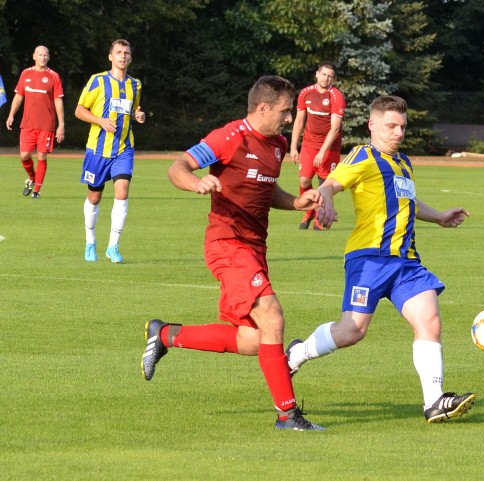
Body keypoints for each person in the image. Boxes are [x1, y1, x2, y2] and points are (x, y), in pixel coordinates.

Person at [141, 75, 325, 431]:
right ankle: (287, 415)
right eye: (286, 112)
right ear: (263, 108)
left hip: (255, 248)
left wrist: (296, 201)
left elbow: (266, 190)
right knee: (272, 317)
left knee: (255, 339)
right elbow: (177, 167)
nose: (289, 119)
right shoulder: (229, 137)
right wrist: (197, 182)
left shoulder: (276, 145)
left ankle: (165, 334)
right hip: (227, 244)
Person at [286, 95, 476, 424]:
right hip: (369, 260)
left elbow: (408, 202)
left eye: (402, 126)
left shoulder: (403, 163)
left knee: (429, 321)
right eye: (391, 126)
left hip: (406, 261)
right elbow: (331, 183)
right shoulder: (363, 155)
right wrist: (326, 201)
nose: (398, 132)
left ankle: (434, 401)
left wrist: (440, 216)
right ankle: (297, 354)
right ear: (372, 125)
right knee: (352, 331)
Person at [75, 39, 145, 263]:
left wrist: (138, 115)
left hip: (124, 149)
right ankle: (90, 240)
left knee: (122, 192)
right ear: (110, 57)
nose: (123, 56)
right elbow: (78, 110)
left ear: (130, 58)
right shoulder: (98, 80)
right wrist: (99, 120)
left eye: (126, 53)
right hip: (97, 149)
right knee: (94, 197)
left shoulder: (135, 85)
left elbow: (133, 110)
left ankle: (113, 246)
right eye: (118, 52)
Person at [289, 61, 346, 231]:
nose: (326, 78)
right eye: (323, 74)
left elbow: (335, 128)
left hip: (329, 147)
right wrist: (293, 147)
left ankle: (320, 218)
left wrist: (322, 152)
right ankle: (309, 210)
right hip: (308, 144)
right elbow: (299, 121)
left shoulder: (336, 96)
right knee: (304, 179)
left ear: (333, 79)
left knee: (324, 184)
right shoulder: (306, 93)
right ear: (317, 74)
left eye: (330, 76)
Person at [5, 45, 65, 199]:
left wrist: (61, 124)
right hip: (27, 124)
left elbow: (58, 101)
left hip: (46, 125)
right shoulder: (26, 74)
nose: (43, 57)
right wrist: (11, 114)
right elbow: (19, 96)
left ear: (48, 57)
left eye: (45, 55)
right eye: (40, 55)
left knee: (42, 156)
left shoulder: (54, 76)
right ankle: (32, 178)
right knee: (24, 155)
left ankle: (37, 190)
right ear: (34, 56)